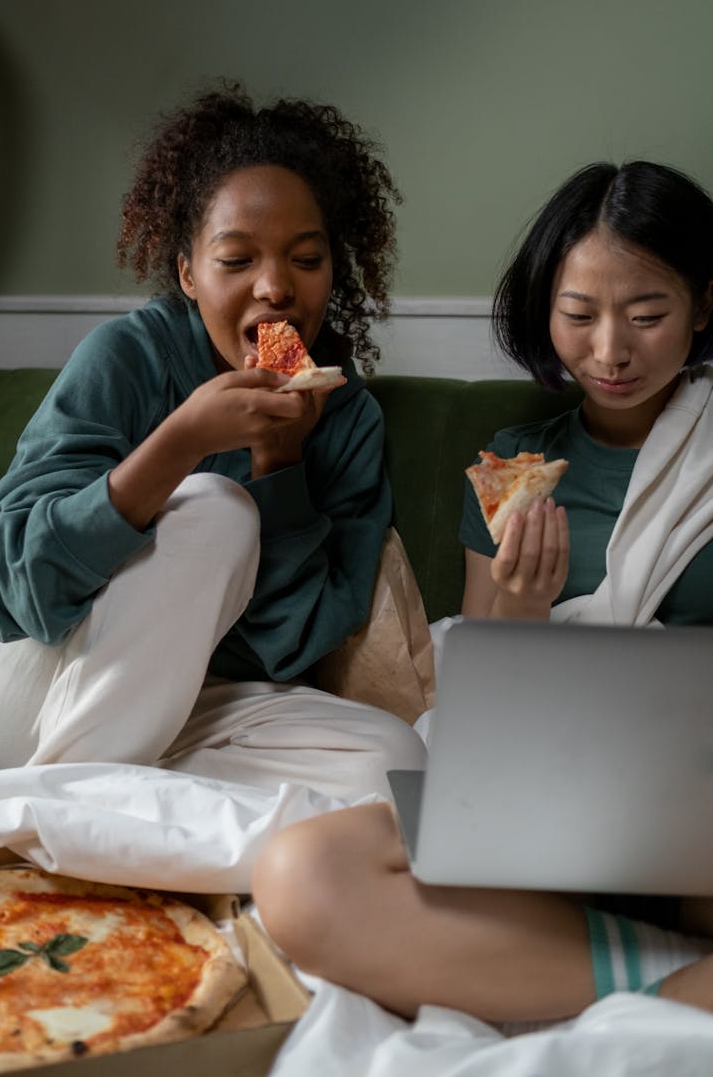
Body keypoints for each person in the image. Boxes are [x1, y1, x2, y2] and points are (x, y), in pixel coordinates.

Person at [252, 159, 713, 1022]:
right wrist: (524, 612)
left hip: (702, 813)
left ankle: (592, 974)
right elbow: (479, 708)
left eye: (646, 316)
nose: (609, 350)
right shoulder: (513, 466)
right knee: (303, 874)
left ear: (703, 307)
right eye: (578, 316)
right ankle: (676, 985)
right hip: (547, 809)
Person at [0, 81, 426, 801]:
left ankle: (99, 804)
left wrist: (280, 467)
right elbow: (9, 581)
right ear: (187, 272)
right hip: (15, 672)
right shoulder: (126, 356)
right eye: (236, 261)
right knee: (214, 508)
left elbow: (289, 650)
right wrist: (176, 446)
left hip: (169, 701)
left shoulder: (347, 417)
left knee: (390, 761)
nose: (274, 287)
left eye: (305, 260)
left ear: (333, 270)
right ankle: (40, 815)